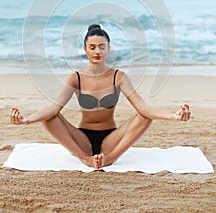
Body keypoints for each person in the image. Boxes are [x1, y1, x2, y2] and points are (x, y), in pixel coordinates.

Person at [10, 24, 191, 169]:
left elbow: (142, 107)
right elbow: (54, 107)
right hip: (82, 141)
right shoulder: (76, 78)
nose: (97, 51)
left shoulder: (118, 77)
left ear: (108, 49)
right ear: (85, 49)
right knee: (49, 118)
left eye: (102, 47)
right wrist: (27, 120)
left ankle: (111, 158)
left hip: (110, 140)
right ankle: (85, 159)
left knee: (144, 117)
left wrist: (173, 116)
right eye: (93, 47)